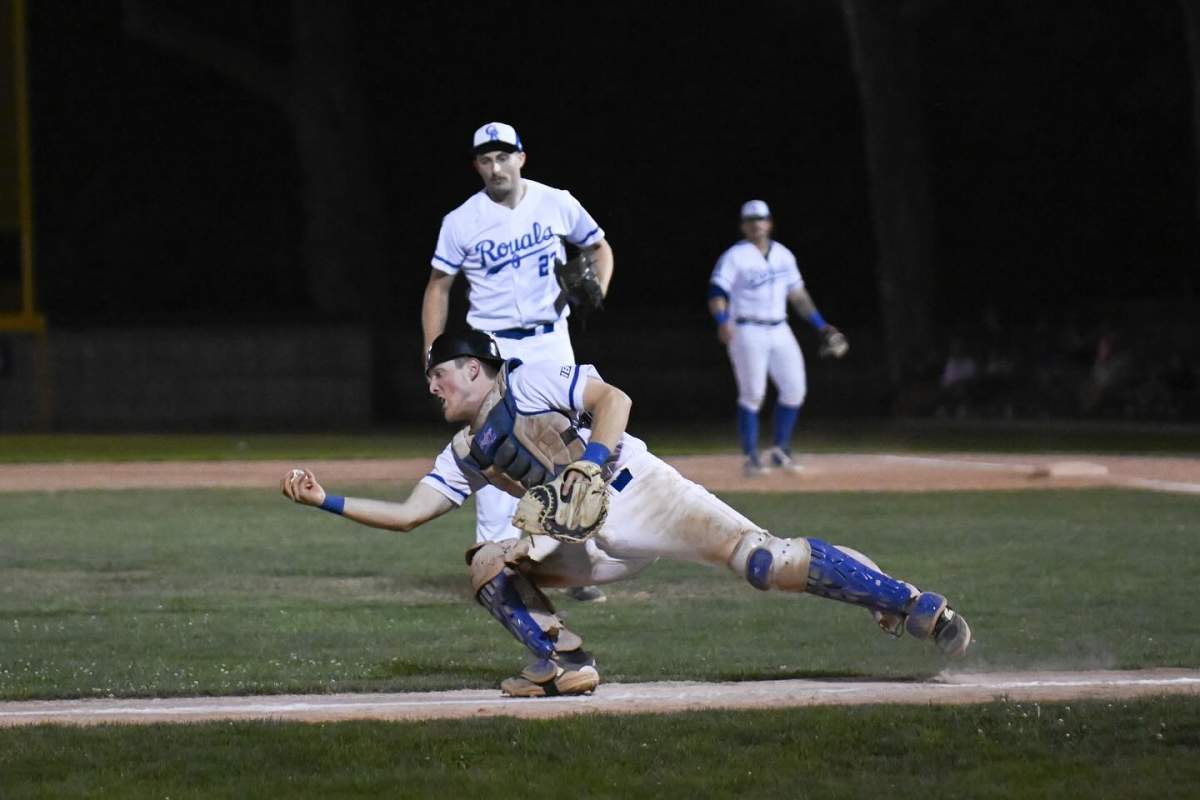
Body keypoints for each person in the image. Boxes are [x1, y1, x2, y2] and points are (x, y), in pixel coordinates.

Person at [280, 331, 972, 698]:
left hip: (640, 489)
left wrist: (589, 463)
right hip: (585, 540)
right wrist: (325, 500)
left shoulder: (533, 375)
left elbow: (615, 401)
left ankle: (909, 603)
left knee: (767, 563)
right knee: (488, 562)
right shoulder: (461, 450)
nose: (432, 386)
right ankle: (562, 660)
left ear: (474, 368)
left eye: (440, 373)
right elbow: (409, 515)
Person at [421, 121, 614, 602]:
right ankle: (493, 556)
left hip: (551, 339)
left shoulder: (557, 201)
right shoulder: (461, 220)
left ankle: (570, 561)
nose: (495, 166)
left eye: (503, 156)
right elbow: (437, 287)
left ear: (521, 157)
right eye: (485, 159)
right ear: (476, 166)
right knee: (492, 446)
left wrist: (598, 289)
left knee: (563, 446)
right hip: (492, 349)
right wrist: (433, 353)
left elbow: (598, 247)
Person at [708, 200, 847, 476]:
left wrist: (821, 326)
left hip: (780, 328)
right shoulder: (735, 256)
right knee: (753, 394)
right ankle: (751, 457)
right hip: (746, 329)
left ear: (769, 223)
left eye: (761, 218)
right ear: (744, 226)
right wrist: (722, 321)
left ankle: (780, 449)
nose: (757, 224)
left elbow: (798, 295)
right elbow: (716, 292)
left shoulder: (784, 255)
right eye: (751, 220)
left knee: (795, 389)